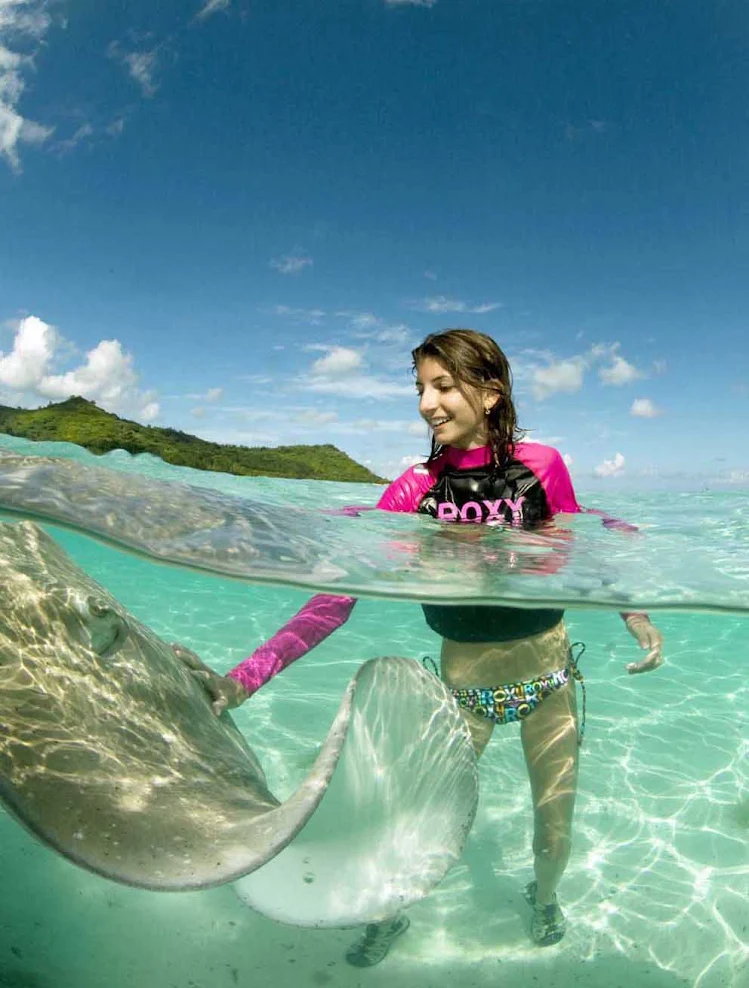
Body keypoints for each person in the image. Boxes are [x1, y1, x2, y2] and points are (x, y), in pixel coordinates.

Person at [187, 329, 664, 964]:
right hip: (462, 695)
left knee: (554, 831)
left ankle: (544, 899)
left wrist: (635, 614)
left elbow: (583, 554)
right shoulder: (415, 489)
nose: (425, 403)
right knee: (412, 825)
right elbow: (337, 598)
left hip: (549, 684)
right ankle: (388, 914)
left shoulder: (542, 466)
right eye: (420, 388)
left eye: (443, 386)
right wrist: (244, 679)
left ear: (490, 394)